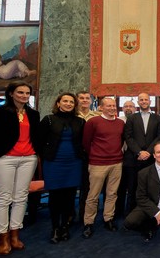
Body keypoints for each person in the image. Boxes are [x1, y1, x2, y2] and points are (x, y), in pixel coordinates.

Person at [0, 80, 40, 255]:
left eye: (27, 93)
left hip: (28, 159)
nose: (24, 96)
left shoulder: (33, 114)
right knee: (3, 199)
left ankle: (15, 235)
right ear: (11, 94)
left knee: (21, 197)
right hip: (4, 159)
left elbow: (36, 136)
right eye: (20, 92)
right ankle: (2, 237)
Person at [38, 93, 85, 244]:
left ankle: (65, 226)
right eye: (65, 101)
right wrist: (45, 155)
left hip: (74, 163)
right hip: (54, 163)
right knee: (55, 197)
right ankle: (55, 228)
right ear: (58, 103)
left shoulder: (80, 121)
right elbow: (38, 141)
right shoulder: (49, 119)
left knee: (70, 197)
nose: (69, 104)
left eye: (71, 102)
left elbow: (83, 142)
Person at [81, 98, 125, 238]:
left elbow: (121, 140)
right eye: (109, 106)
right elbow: (86, 142)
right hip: (98, 163)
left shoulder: (120, 123)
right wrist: (96, 154)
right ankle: (88, 222)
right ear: (101, 107)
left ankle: (108, 219)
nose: (112, 108)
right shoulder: (93, 122)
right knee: (93, 196)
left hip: (117, 162)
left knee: (112, 194)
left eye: (114, 106)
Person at [122, 93, 160, 216]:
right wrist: (139, 152)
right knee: (133, 188)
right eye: (141, 100)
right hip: (134, 159)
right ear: (138, 102)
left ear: (150, 101)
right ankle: (131, 214)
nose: (144, 101)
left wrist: (148, 152)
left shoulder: (158, 118)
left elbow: (159, 137)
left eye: (146, 99)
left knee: (150, 189)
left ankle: (151, 214)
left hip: (151, 160)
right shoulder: (131, 118)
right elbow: (128, 137)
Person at [76, 91, 102, 221]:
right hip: (76, 155)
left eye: (87, 98)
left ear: (91, 101)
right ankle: (76, 214)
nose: (85, 100)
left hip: (93, 155)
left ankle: (89, 215)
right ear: (77, 100)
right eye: (81, 98)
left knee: (90, 186)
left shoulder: (97, 116)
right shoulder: (73, 116)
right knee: (78, 185)